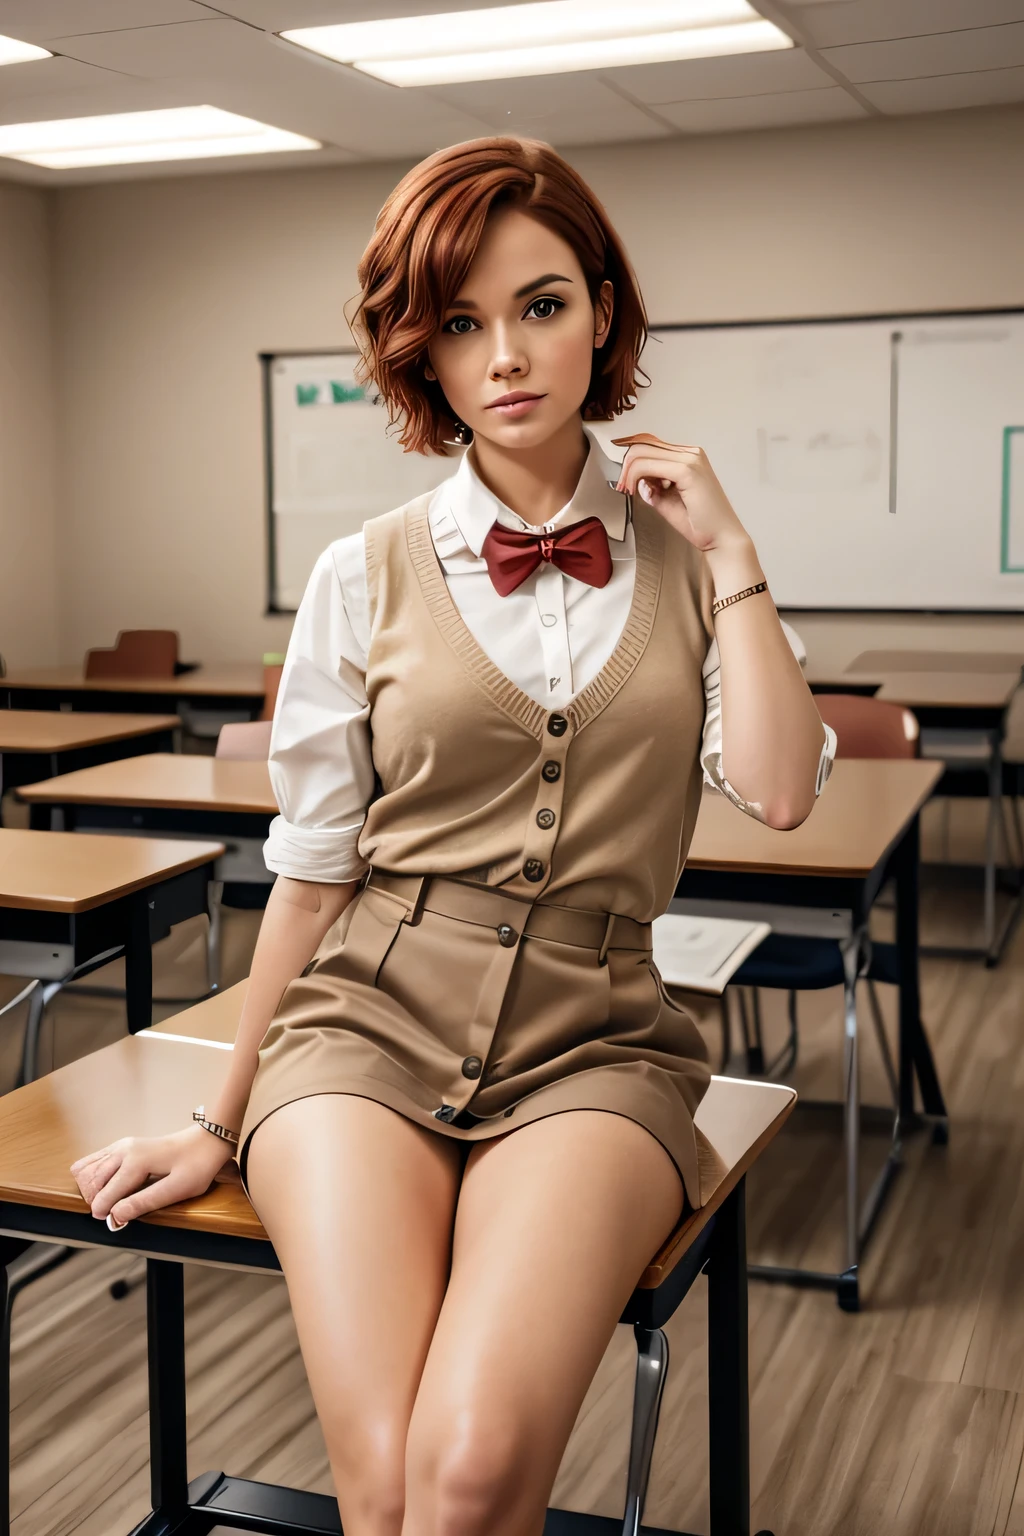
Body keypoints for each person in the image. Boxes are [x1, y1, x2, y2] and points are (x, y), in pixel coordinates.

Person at [71, 137, 834, 1536]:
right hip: (361, 1024)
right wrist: (218, 1119)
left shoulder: (688, 562)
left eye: (540, 306)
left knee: (474, 1472)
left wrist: (733, 559)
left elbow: (783, 792)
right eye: (460, 323)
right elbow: (313, 876)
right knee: (384, 1483)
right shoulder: (358, 573)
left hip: (598, 1041)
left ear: (603, 309)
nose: (504, 356)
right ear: (419, 353)